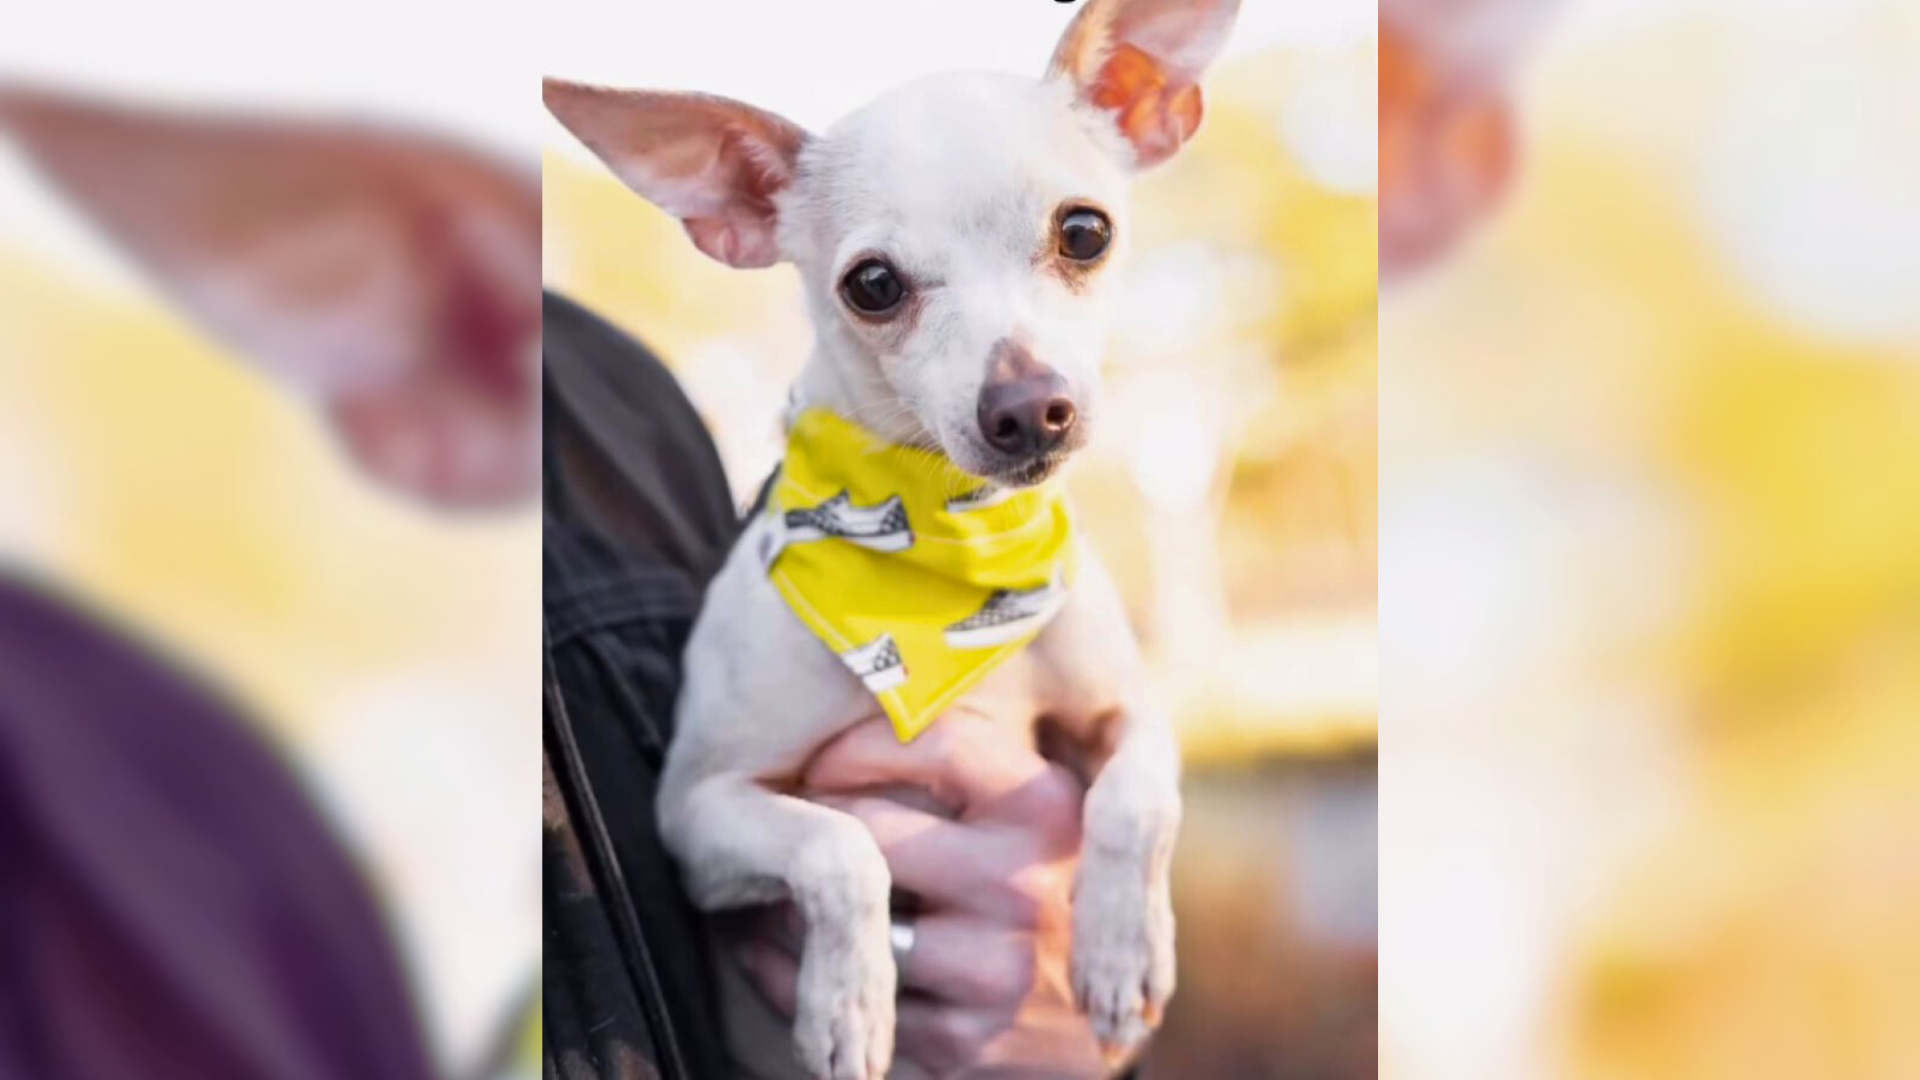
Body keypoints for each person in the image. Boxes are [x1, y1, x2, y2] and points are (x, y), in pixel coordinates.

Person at [542, 291, 1129, 1079]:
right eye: (881, 290)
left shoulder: (615, 397)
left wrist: (1084, 1044)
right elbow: (703, 814)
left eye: (1079, 240)